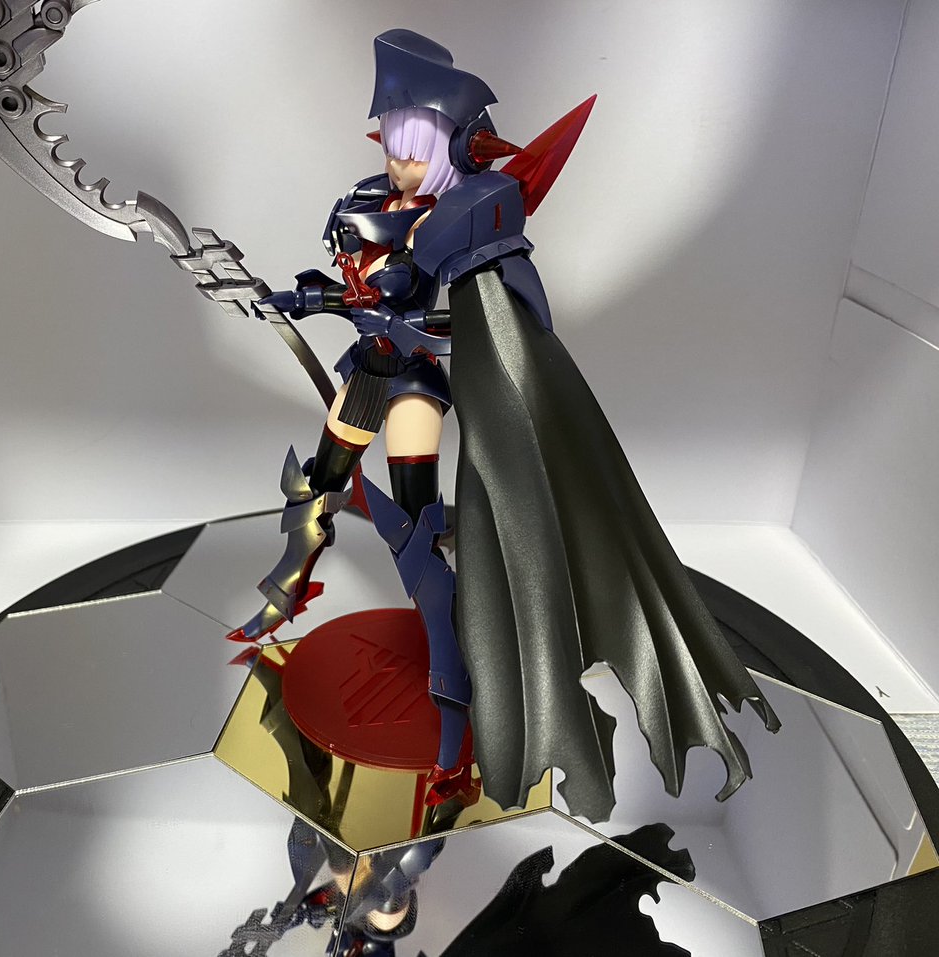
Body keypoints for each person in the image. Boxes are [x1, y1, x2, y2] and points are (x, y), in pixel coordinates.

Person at [230, 29, 779, 822]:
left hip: (415, 380)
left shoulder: (462, 218)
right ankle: (282, 600)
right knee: (318, 483)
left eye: (413, 150)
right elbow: (361, 291)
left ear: (448, 149)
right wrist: (308, 298)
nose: (398, 163)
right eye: (391, 143)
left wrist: (399, 295)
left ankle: (455, 711)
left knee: (414, 534)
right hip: (365, 371)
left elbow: (480, 308)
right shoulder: (366, 200)